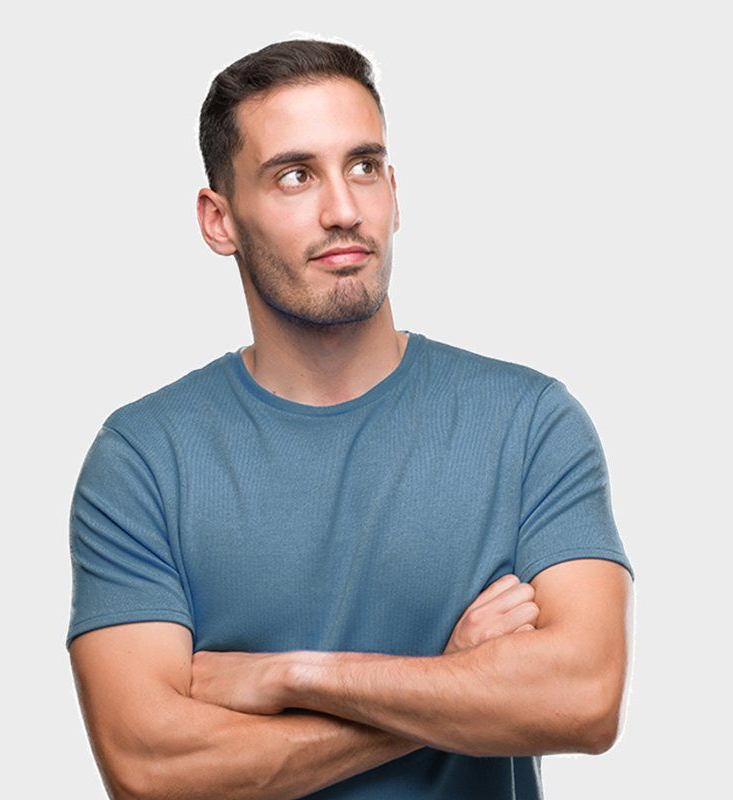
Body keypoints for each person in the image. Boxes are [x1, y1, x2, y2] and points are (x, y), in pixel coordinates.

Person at [66, 38, 635, 799]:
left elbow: (584, 701)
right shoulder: (143, 459)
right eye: (295, 176)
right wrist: (453, 680)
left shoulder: (529, 424)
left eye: (363, 166)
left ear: (394, 193)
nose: (343, 210)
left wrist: (288, 677)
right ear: (219, 219)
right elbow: (151, 768)